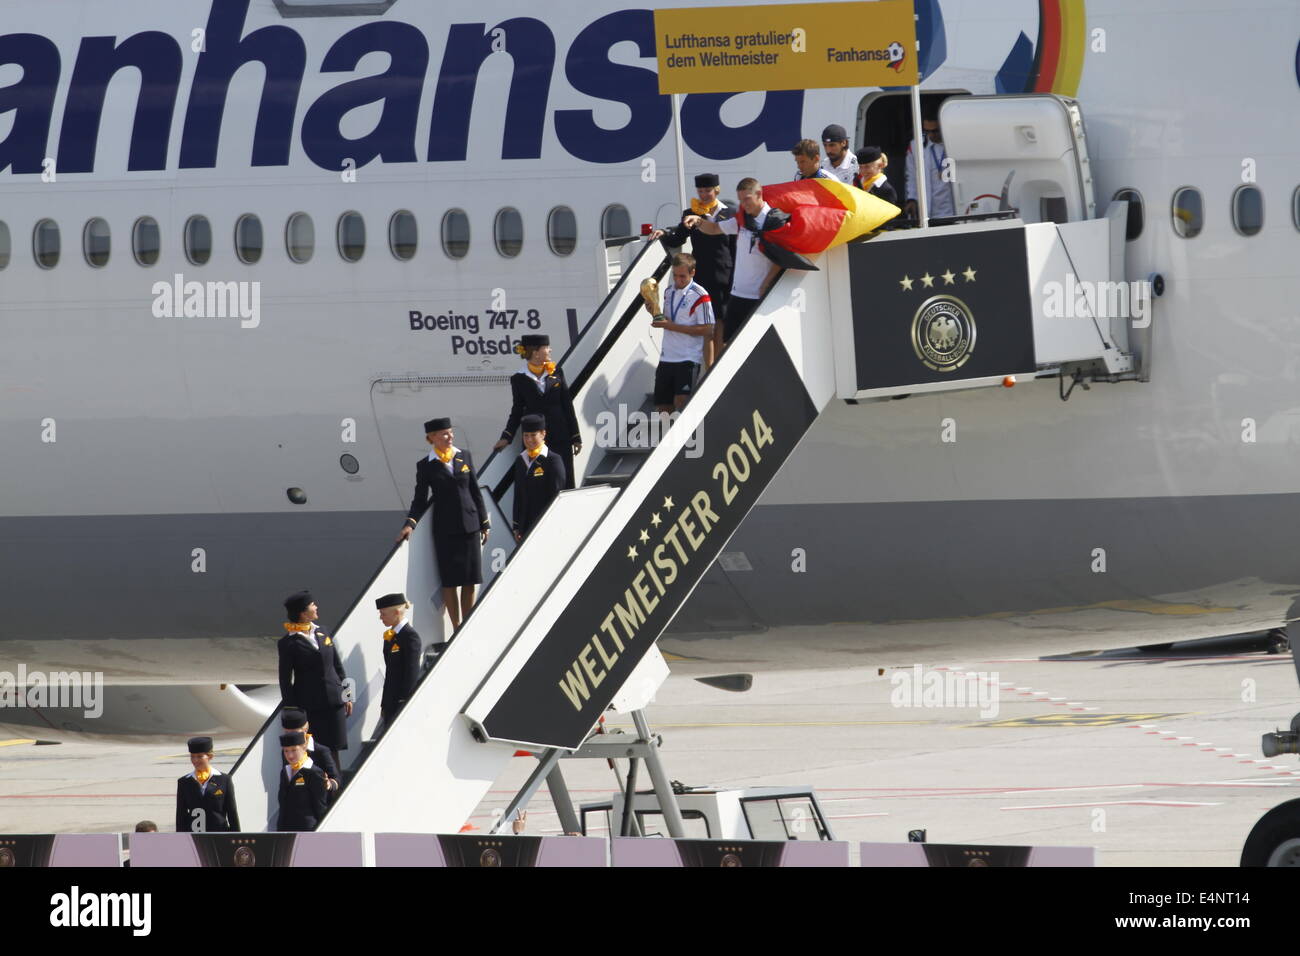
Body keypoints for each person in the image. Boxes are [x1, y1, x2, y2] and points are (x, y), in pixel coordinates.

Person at [397, 418, 491, 632]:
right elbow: (419, 499)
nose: (450, 437)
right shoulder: (426, 466)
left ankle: (467, 623)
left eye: (450, 433)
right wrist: (410, 524)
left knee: (470, 579)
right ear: (431, 438)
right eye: (444, 434)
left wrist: (484, 522)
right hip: (446, 528)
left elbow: (475, 490)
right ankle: (456, 626)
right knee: (450, 581)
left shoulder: (463, 456)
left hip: (470, 524)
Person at [649, 173, 735, 368]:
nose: (704, 194)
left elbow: (734, 248)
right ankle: (709, 368)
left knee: (721, 324)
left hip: (723, 275)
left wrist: (735, 276)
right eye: (701, 191)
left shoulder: (728, 214)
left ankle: (720, 368)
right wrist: (663, 233)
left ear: (717, 190)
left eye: (708, 191)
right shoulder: (691, 213)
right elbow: (678, 238)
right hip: (702, 273)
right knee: (708, 327)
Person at [683, 178, 783, 347]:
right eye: (740, 200)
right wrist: (698, 221)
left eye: (747, 199)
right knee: (729, 344)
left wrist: (766, 284)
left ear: (759, 194)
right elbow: (715, 228)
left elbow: (780, 257)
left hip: (759, 294)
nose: (743, 204)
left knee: (758, 344)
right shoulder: (742, 220)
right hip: (738, 294)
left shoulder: (773, 220)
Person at [493, 335, 581, 489]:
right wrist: (507, 436)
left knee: (564, 480)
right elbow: (517, 410)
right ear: (536, 352)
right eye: (546, 347)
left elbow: (567, 405)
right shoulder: (519, 379)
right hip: (535, 440)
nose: (550, 350)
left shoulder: (556, 372)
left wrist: (575, 436)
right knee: (539, 482)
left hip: (560, 436)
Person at [277, 590, 350, 772]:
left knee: (335, 750)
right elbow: (285, 680)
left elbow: (337, 666)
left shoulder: (322, 631)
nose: (316, 607)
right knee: (315, 752)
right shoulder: (288, 643)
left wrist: (348, 695)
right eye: (312, 605)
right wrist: (293, 713)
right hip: (311, 707)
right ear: (303, 613)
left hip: (334, 702)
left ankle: (336, 789)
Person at [643, 253, 714, 415]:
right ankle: (670, 440)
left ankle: (689, 439)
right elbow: (668, 320)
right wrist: (654, 312)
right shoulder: (668, 292)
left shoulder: (700, 295)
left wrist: (671, 326)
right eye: (675, 275)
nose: (678, 280)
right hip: (667, 357)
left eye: (682, 276)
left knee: (682, 404)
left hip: (688, 358)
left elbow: (708, 329)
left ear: (692, 273)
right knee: (663, 408)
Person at [511, 414, 566, 541]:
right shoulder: (521, 460)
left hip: (545, 524)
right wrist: (516, 526)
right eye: (526, 435)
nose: (529, 440)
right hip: (525, 526)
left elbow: (557, 496)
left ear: (543, 434)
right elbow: (518, 494)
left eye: (533, 435)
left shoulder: (553, 460)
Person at [175, 736, 240, 833]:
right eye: (192, 756)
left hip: (219, 835)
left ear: (210, 756)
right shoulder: (184, 782)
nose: (195, 760)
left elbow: (232, 813)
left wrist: (235, 838)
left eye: (200, 756)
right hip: (194, 837)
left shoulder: (224, 780)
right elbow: (181, 815)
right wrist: (181, 838)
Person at [376, 592, 421, 729]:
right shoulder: (391, 636)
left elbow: (412, 671)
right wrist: (385, 703)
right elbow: (390, 673)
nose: (380, 617)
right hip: (391, 701)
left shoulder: (409, 636)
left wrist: (404, 701)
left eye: (383, 614)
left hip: (401, 701)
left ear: (396, 612)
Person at [276, 731, 330, 832]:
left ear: (304, 747)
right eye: (286, 751)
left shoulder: (314, 772)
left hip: (307, 831)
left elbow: (320, 807)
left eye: (294, 750)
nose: (290, 755)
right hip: (285, 832)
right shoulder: (285, 771)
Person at [905, 113, 956, 219]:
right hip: (928, 213)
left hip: (952, 212)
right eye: (927, 131)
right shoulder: (915, 145)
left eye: (935, 131)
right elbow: (911, 175)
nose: (931, 135)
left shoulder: (955, 143)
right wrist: (912, 199)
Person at [280, 707, 339, 788]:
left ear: (306, 728)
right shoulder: (285, 752)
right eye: (287, 733)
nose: (291, 737)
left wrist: (329, 783)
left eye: (295, 733)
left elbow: (336, 779)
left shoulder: (321, 751)